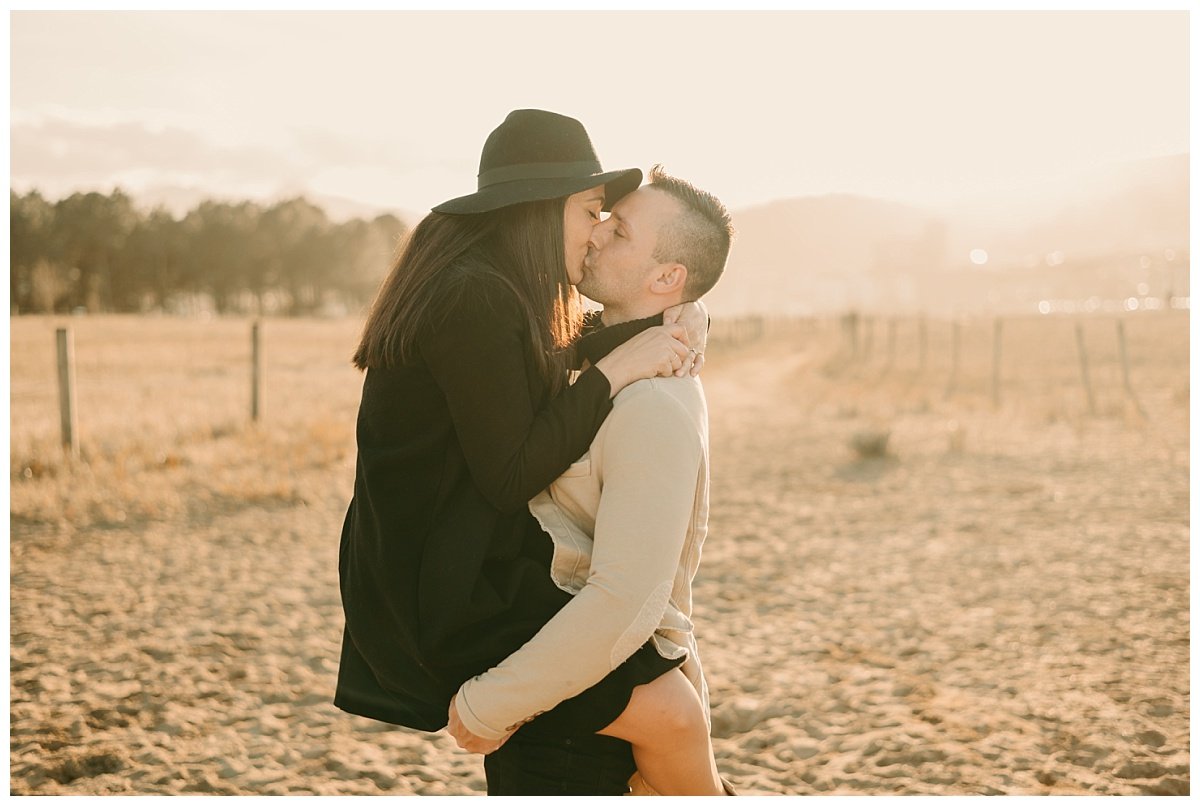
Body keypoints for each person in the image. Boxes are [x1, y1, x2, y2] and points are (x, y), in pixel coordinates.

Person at [334, 110, 709, 762]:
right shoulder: (472, 297)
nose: (595, 234)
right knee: (667, 709)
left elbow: (557, 356)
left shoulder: (487, 284)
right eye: (591, 211)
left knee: (657, 702)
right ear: (540, 209)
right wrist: (618, 369)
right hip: (441, 590)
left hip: (451, 560)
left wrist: (685, 314)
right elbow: (511, 474)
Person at [445, 166, 736, 796]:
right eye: (603, 217)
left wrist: (487, 705)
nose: (598, 233)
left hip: (599, 721)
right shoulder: (608, 360)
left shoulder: (654, 404)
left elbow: (625, 598)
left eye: (621, 230)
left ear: (666, 278)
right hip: (566, 686)